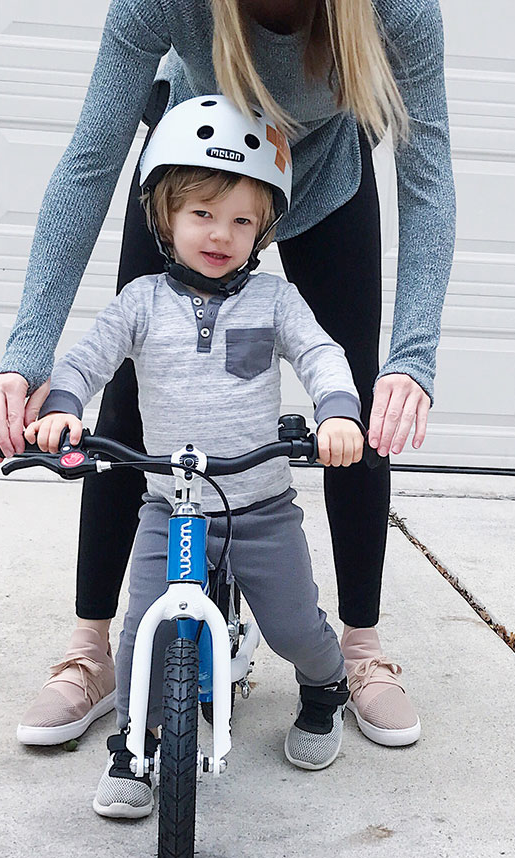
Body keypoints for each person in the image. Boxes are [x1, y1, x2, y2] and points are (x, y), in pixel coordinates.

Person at [0, 0, 455, 750]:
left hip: (324, 181)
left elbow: (429, 173)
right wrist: (28, 351)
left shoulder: (394, 12)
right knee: (131, 401)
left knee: (358, 406)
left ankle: (360, 651)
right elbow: (90, 162)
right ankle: (92, 648)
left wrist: (414, 356)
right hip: (195, 178)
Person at [25, 96, 365, 817]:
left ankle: (327, 684)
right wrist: (62, 405)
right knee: (143, 623)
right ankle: (132, 746)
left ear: (264, 227)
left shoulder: (275, 299)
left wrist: (336, 411)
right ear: (164, 216)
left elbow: (321, 354)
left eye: (243, 219)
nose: (221, 234)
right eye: (202, 213)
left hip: (260, 508)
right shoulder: (141, 302)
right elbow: (88, 358)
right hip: (168, 506)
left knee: (294, 625)